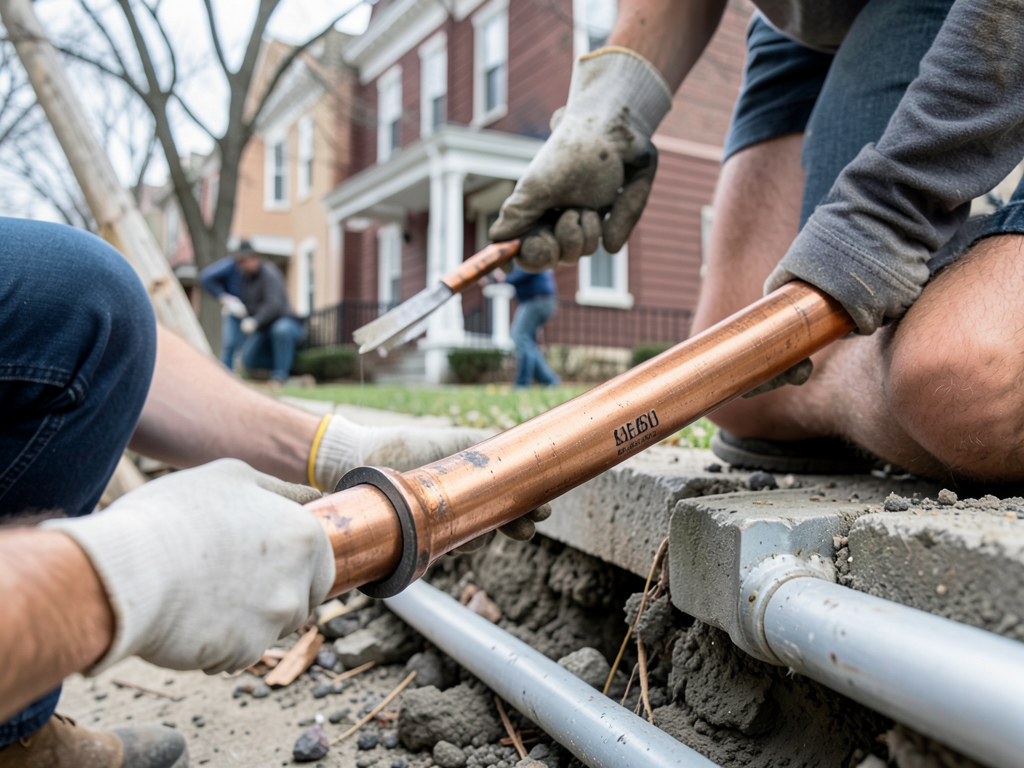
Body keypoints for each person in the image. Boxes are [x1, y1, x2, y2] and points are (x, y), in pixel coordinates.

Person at [0, 217, 546, 767]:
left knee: (83, 292)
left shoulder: (270, 281)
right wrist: (126, 573)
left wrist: (344, 452)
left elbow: (97, 332)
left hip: (273, 322)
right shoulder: (233, 273)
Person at [489, 0, 1024, 483]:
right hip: (802, 28)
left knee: (967, 387)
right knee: (747, 402)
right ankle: (947, 298)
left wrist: (886, 217)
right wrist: (609, 113)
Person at [230, 245, 305, 385]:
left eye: (243, 261)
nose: (240, 265)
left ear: (255, 258)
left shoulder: (270, 273)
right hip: (264, 327)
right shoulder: (245, 279)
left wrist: (255, 321)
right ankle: (277, 375)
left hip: (286, 323)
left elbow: (274, 305)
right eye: (238, 262)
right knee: (249, 357)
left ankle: (280, 376)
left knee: (280, 330)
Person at [503, 267, 561, 388]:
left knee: (520, 336)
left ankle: (522, 384)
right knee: (527, 342)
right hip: (540, 300)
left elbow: (523, 272)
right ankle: (549, 380)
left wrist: (504, 277)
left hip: (538, 300)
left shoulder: (529, 256)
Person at [198, 247, 249, 371]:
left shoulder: (255, 270)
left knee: (245, 348)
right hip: (234, 311)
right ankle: (226, 374)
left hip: (252, 312)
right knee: (230, 345)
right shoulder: (231, 265)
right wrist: (225, 297)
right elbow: (205, 277)